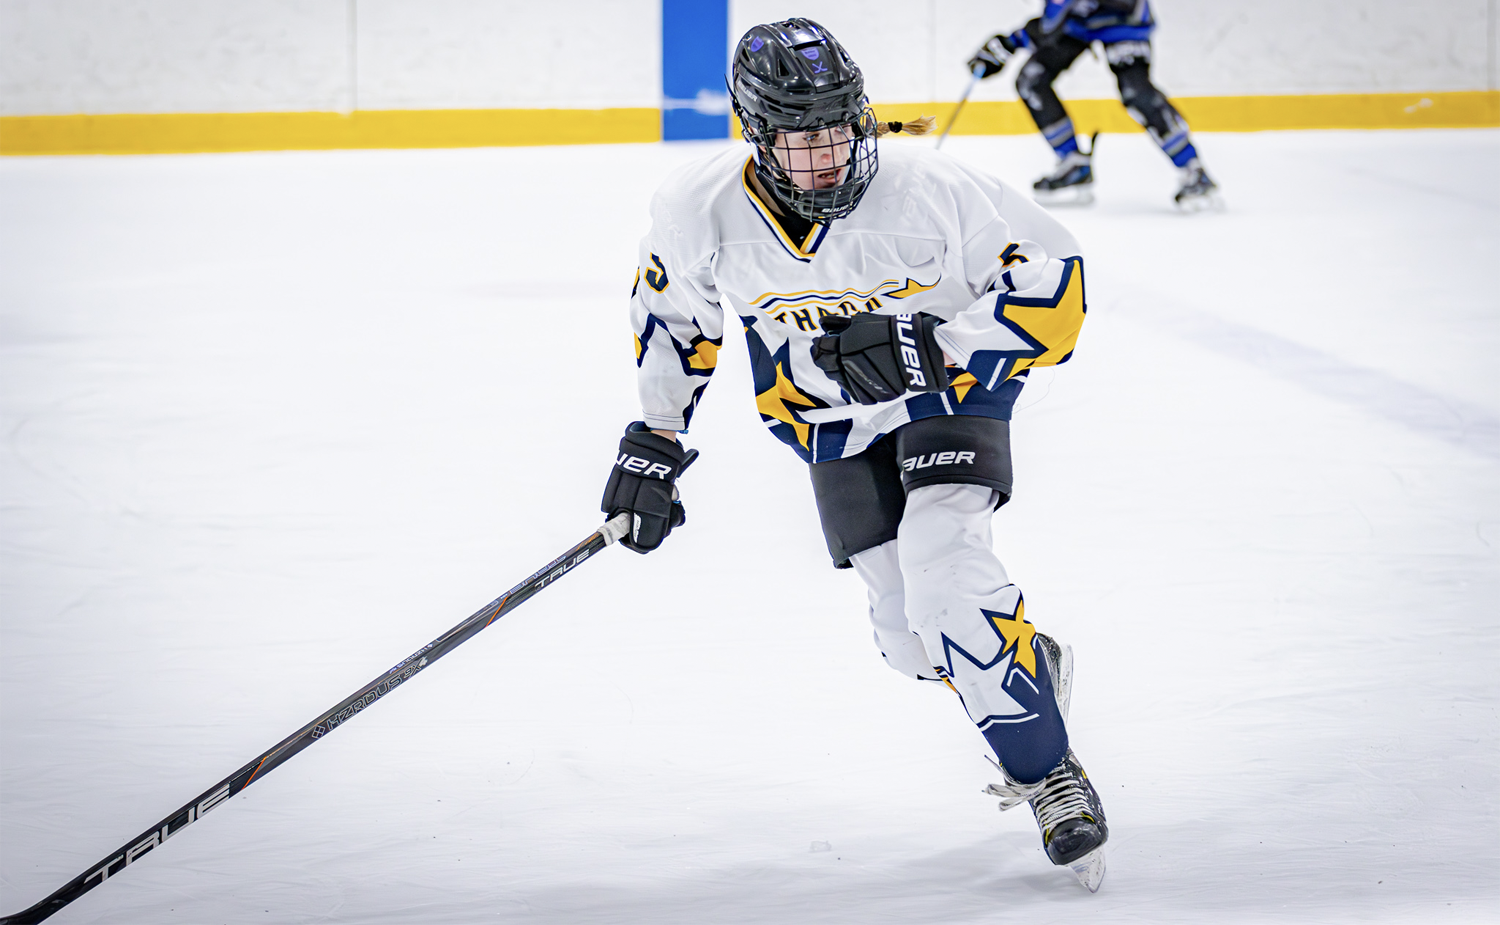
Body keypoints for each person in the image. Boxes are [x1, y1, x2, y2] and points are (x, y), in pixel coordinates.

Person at [599, 18, 1109, 890]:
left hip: (951, 393)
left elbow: (1057, 284)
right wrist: (655, 437)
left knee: (947, 580)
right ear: (756, 133)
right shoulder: (697, 209)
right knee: (910, 636)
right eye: (802, 139)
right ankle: (1025, 667)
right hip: (828, 416)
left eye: (839, 127)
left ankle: (1049, 771)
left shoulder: (931, 187)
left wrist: (940, 346)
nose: (829, 155)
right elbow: (677, 320)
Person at [967, 0, 1219, 209]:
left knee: (1137, 93)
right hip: (1078, 22)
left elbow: (1048, 25)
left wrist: (1011, 43)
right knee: (1032, 81)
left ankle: (1193, 168)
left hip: (1123, 18)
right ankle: (1073, 164)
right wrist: (1007, 45)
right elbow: (1052, 19)